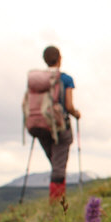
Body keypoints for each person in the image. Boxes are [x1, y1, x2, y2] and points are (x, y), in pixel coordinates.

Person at [35, 45, 81, 202]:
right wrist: (76, 114)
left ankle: (58, 200)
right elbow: (68, 106)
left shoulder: (38, 80)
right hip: (60, 127)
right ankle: (57, 204)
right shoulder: (66, 79)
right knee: (59, 167)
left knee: (56, 164)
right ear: (60, 58)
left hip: (40, 127)